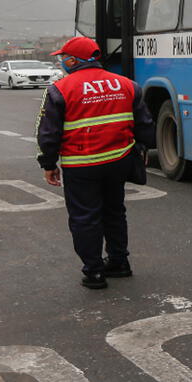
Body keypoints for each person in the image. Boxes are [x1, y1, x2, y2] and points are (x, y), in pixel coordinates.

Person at [35, 36, 155, 289]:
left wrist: (48, 163)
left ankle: (94, 272)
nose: (60, 61)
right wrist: (143, 148)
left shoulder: (60, 89)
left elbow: (48, 133)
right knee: (114, 211)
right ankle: (119, 262)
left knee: (84, 217)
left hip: (82, 165)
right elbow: (145, 124)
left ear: (72, 60)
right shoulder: (128, 85)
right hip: (119, 160)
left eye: (62, 57)